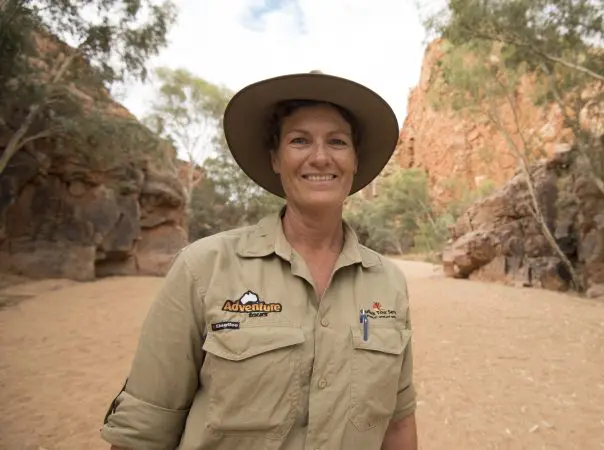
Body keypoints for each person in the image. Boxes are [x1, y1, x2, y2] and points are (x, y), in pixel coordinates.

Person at [100, 70, 418, 450]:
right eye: (299, 140)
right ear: (275, 158)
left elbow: (398, 424)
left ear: (354, 160)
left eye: (337, 141)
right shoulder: (204, 267)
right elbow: (144, 429)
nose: (320, 157)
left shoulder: (389, 284)